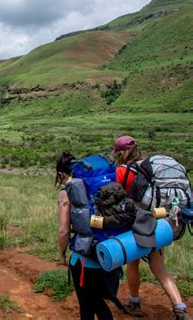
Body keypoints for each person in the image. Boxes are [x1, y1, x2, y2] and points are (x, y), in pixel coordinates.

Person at [112, 136, 189, 320]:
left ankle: (134, 302)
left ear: (119, 152)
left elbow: (115, 196)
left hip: (139, 223)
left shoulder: (123, 170)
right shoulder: (148, 167)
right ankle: (179, 307)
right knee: (159, 267)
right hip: (160, 220)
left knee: (133, 262)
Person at [57, 152, 117, 320]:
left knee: (87, 307)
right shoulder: (99, 187)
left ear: (62, 174)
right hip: (110, 253)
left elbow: (63, 230)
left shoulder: (68, 193)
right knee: (100, 303)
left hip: (84, 259)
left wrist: (62, 253)